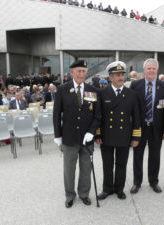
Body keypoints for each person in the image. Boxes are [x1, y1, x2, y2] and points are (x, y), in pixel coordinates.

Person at [53, 60, 101, 208]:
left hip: (87, 138)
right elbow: (56, 114)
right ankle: (69, 195)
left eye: (84, 71)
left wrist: (91, 132)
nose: (81, 74)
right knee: (69, 169)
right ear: (72, 72)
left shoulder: (93, 90)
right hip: (69, 137)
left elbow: (98, 115)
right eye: (78, 71)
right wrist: (57, 135)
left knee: (86, 168)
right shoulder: (62, 89)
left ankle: (84, 194)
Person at [96, 61, 141, 201]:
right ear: (110, 77)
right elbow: (98, 116)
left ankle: (119, 189)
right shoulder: (102, 93)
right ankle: (107, 189)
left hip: (124, 135)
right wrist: (97, 134)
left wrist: (136, 137)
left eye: (122, 74)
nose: (121, 77)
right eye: (117, 75)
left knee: (121, 164)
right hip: (107, 135)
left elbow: (136, 117)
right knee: (107, 164)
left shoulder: (131, 94)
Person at [129, 58, 164, 194]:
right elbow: (130, 109)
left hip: (156, 128)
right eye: (149, 68)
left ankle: (154, 181)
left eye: (154, 68)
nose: (151, 70)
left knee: (155, 155)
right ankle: (137, 182)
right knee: (138, 155)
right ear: (144, 70)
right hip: (139, 127)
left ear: (157, 70)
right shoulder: (135, 85)